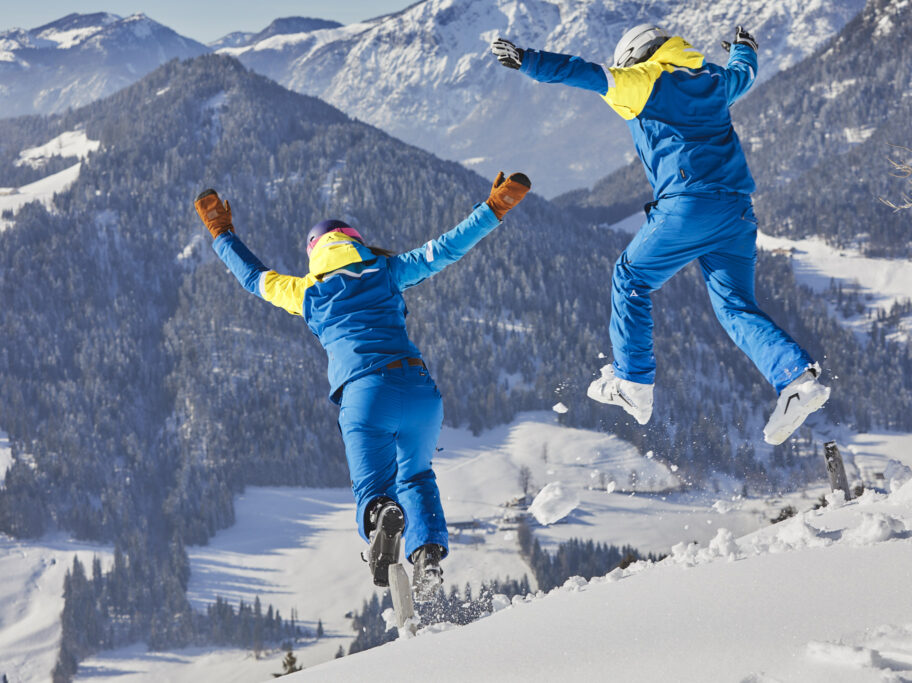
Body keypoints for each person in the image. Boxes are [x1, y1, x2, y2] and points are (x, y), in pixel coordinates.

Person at [193, 172, 531, 599]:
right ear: (356, 244)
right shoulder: (386, 270)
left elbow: (253, 277)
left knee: (374, 489)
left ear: (315, 256)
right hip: (421, 389)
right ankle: (427, 556)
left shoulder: (307, 292)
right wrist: (493, 209)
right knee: (417, 475)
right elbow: (446, 248)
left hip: (366, 394)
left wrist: (222, 233)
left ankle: (380, 517)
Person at [491, 25, 829, 445]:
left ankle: (633, 383)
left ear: (635, 56)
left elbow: (586, 74)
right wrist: (745, 47)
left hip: (688, 206)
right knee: (737, 306)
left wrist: (527, 60)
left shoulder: (643, 80)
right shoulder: (712, 79)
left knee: (629, 278)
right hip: (737, 211)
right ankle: (797, 381)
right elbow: (743, 72)